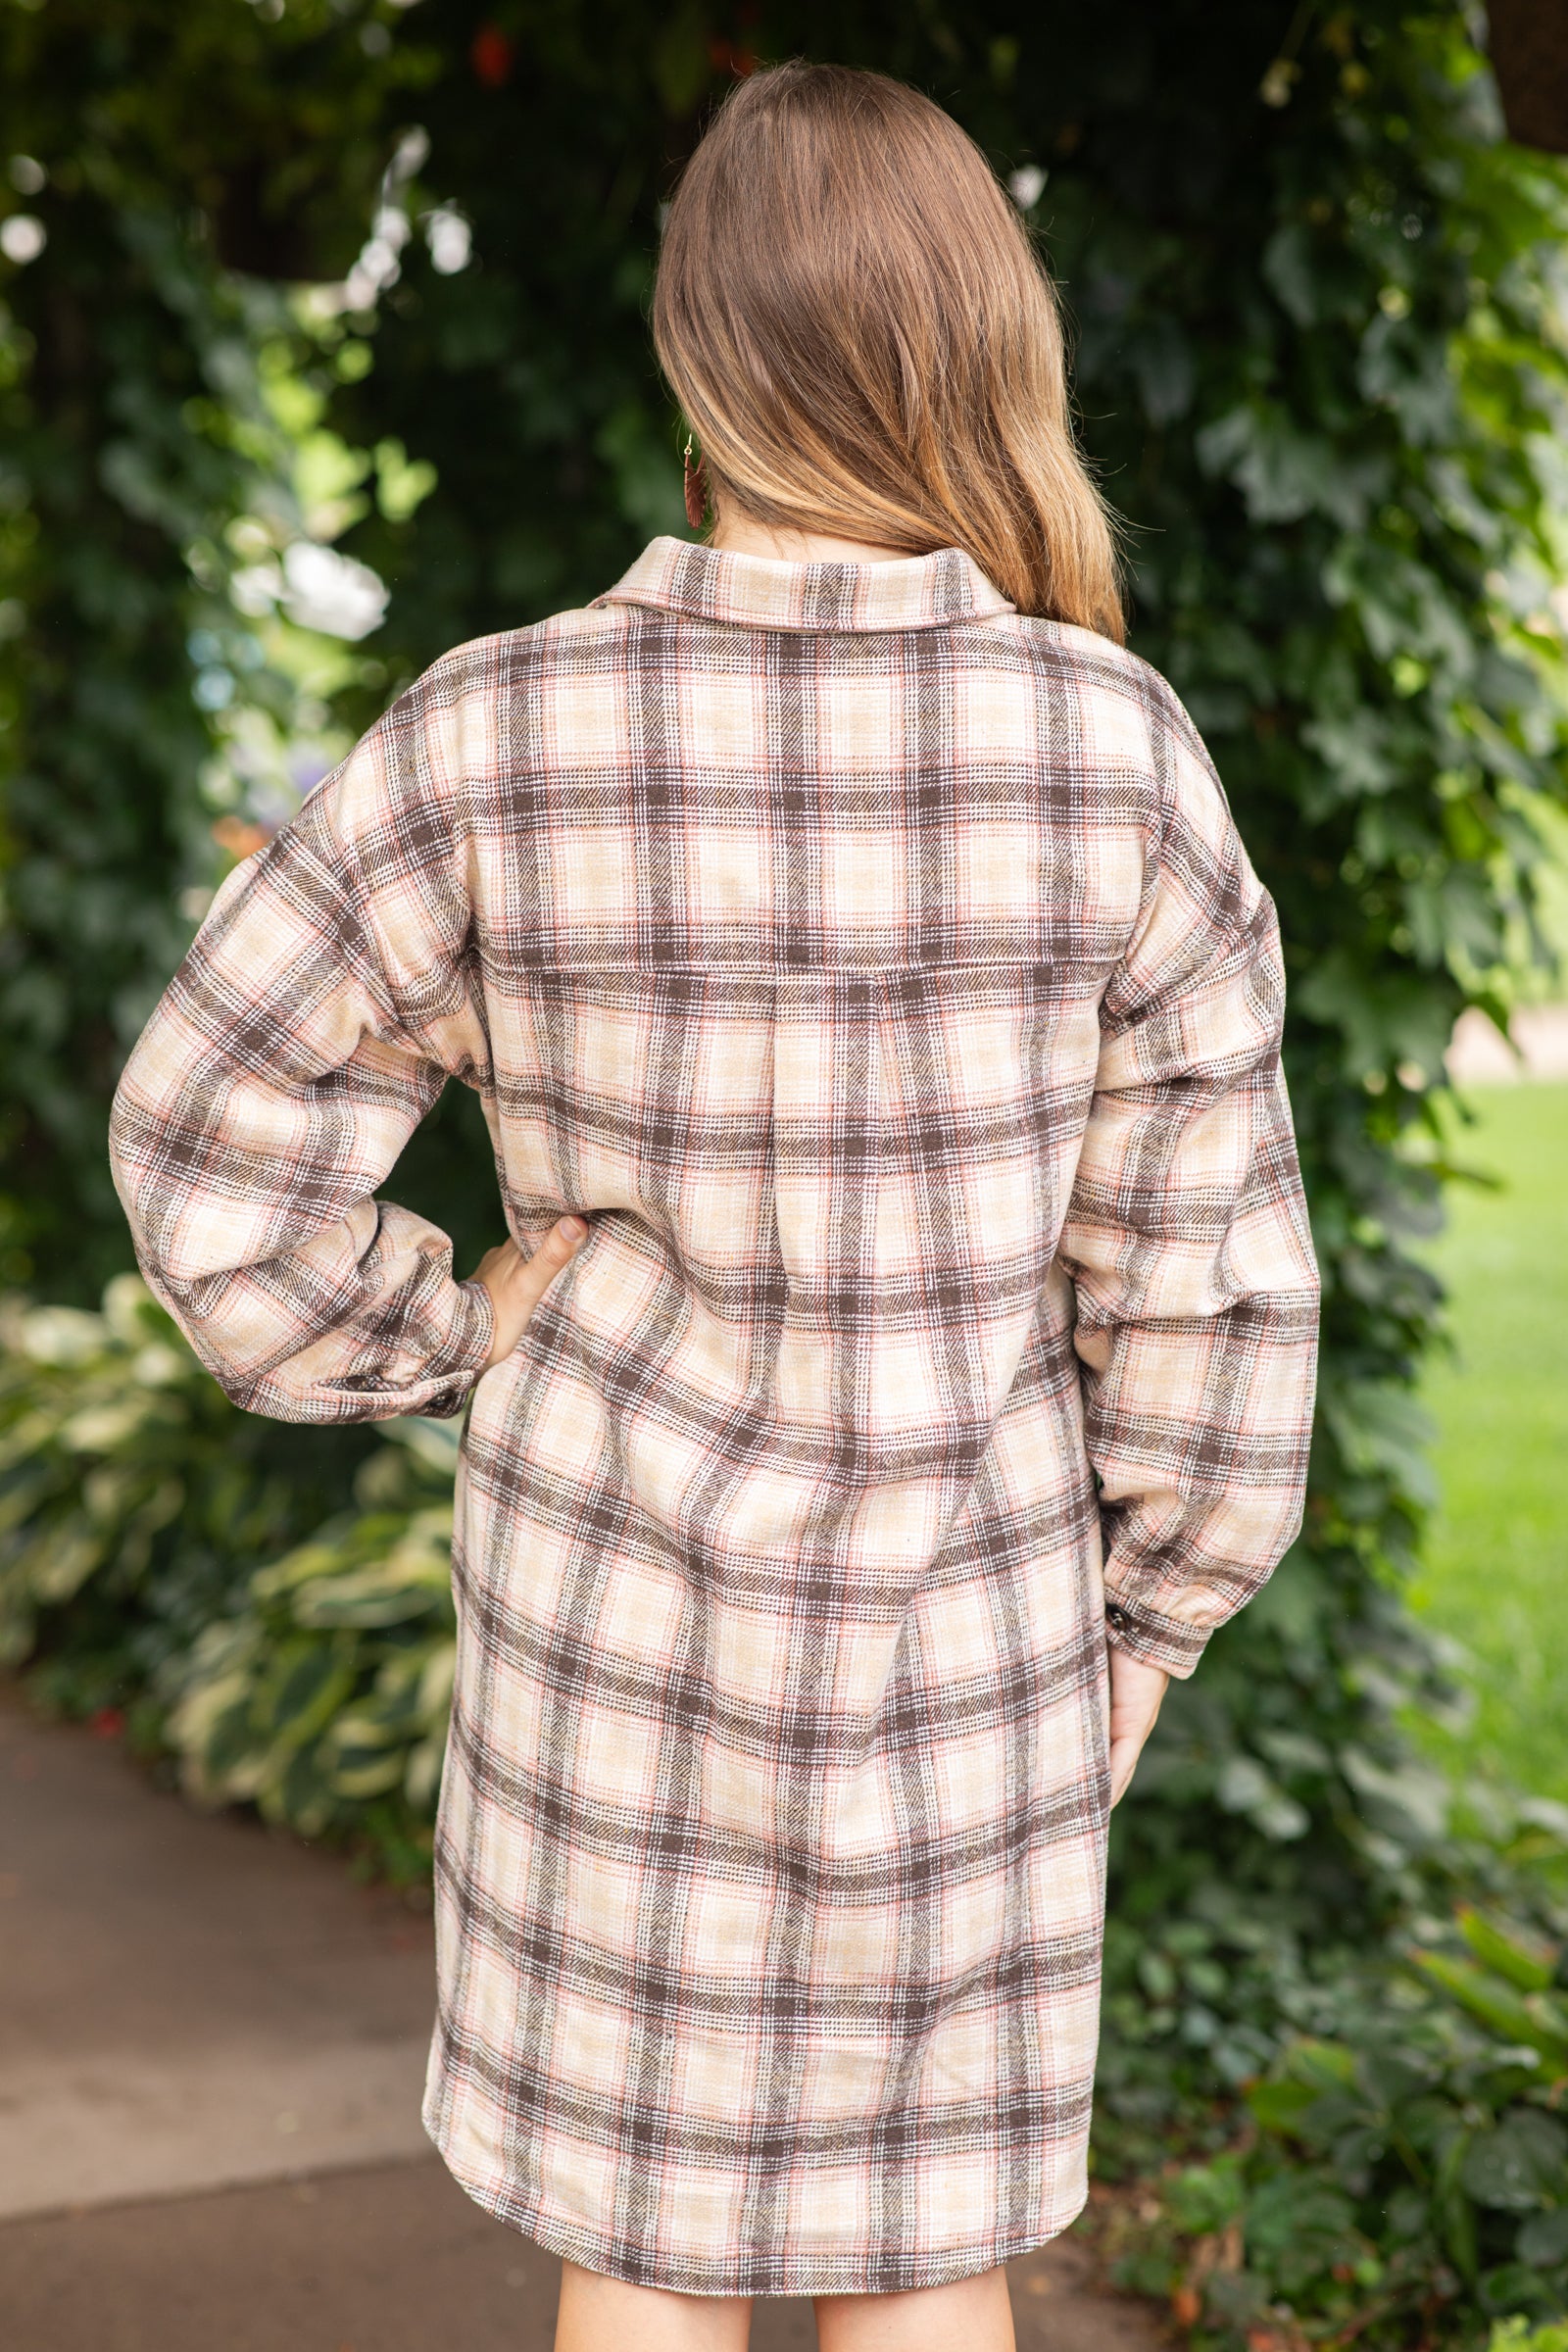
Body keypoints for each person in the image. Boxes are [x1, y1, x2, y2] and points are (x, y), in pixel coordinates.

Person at [109, 59, 1319, 2352]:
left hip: (609, 1640)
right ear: (980, 344)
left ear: (692, 354)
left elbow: (206, 1143)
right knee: (928, 2261)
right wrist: (1152, 1624)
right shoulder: (1111, 756)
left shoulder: (487, 734)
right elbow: (1209, 1282)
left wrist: (451, 1323)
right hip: (967, 1653)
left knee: (638, 2257)